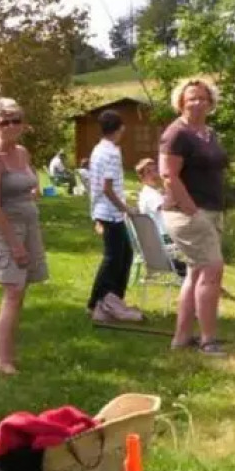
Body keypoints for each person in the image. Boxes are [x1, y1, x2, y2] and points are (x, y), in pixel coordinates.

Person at [158, 77, 230, 357]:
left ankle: (181, 338)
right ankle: (208, 341)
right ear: (181, 102)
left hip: (210, 209)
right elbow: (168, 175)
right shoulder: (176, 133)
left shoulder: (208, 133)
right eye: (191, 98)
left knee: (197, 272)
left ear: (211, 102)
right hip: (187, 213)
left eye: (203, 98)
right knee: (212, 269)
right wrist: (192, 210)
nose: (197, 103)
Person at [0, 98, 47, 375]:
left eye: (16, 120)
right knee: (13, 291)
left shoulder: (23, 153)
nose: (11, 126)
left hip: (29, 226)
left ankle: (10, 353)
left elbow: (31, 180)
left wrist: (33, 191)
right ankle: (3, 362)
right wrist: (15, 245)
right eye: (4, 121)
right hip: (6, 230)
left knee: (22, 291)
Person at [86, 110, 143, 323]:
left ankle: (112, 300)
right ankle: (99, 303)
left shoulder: (98, 148)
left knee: (124, 255)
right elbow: (107, 188)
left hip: (105, 211)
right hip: (111, 213)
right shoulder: (110, 152)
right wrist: (125, 208)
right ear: (120, 128)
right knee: (113, 259)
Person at [134, 157, 187, 278]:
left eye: (155, 170)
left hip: (160, 238)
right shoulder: (150, 195)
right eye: (149, 172)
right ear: (142, 177)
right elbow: (169, 206)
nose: (154, 174)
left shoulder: (150, 193)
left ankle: (188, 272)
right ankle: (198, 276)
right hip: (164, 239)